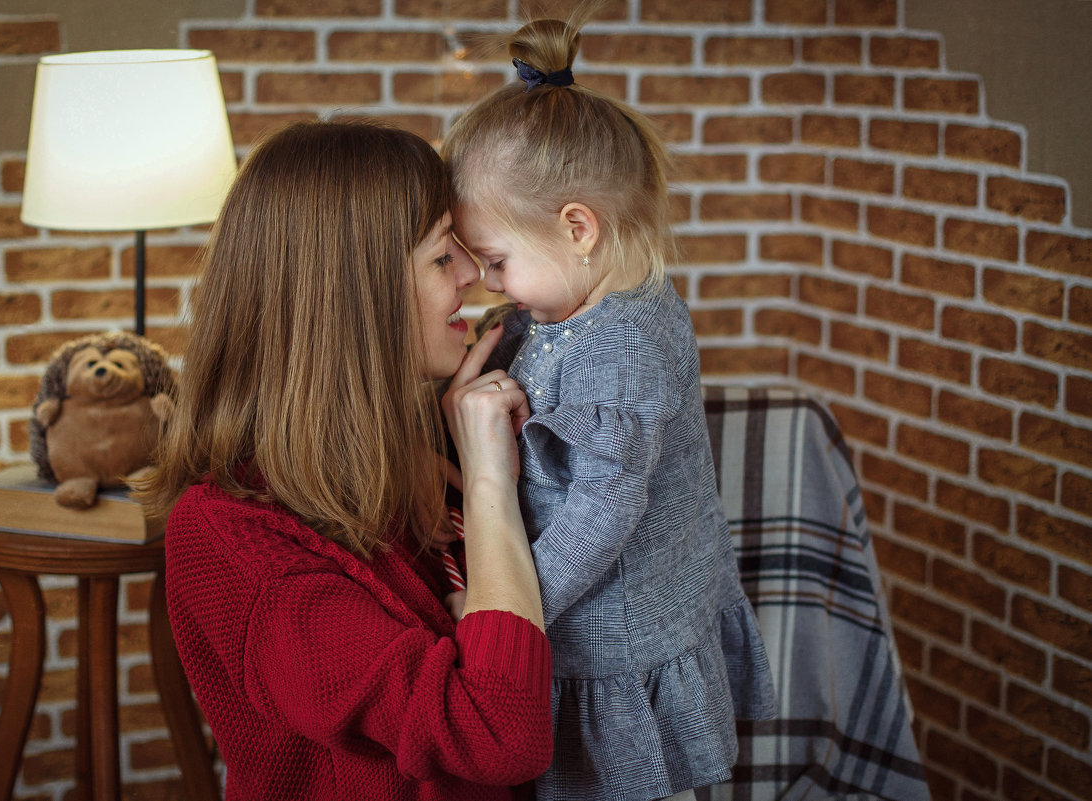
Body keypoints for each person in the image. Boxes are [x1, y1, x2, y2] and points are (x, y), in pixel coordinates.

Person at [136, 120, 553, 801]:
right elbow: (497, 733)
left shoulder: (429, 440)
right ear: (358, 293)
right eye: (442, 256)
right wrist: (486, 486)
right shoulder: (228, 538)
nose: (476, 274)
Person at [440, 6, 779, 801]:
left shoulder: (624, 343)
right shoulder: (563, 308)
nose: (488, 282)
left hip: (614, 635)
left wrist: (505, 613)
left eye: (495, 260)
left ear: (578, 228)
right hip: (592, 623)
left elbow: (601, 511)